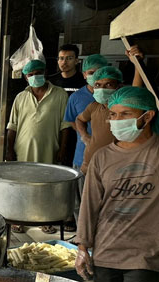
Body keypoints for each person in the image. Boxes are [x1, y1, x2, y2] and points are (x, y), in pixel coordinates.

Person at [76, 86, 159, 282]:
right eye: (113, 114)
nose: (116, 120)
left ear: (148, 115)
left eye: (125, 114)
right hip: (106, 253)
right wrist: (83, 247)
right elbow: (89, 204)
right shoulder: (102, 157)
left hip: (145, 257)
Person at [6, 59, 71, 233]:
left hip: (49, 149)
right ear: (26, 78)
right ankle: (19, 219)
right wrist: (9, 150)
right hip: (23, 150)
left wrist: (63, 149)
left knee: (46, 186)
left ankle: (45, 219)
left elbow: (65, 125)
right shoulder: (21, 97)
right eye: (31, 75)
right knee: (22, 186)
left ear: (45, 72)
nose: (35, 77)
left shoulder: (60, 94)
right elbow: (12, 126)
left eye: (38, 73)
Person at [63, 54, 108, 225]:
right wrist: (86, 137)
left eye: (99, 72)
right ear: (84, 75)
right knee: (81, 202)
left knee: (104, 203)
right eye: (91, 73)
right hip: (83, 156)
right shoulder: (77, 98)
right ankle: (82, 238)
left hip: (111, 158)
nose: (95, 76)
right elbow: (73, 120)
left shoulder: (117, 96)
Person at [76, 66, 124, 176]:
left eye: (108, 85)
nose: (102, 89)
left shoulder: (123, 110)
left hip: (113, 170)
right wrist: (85, 136)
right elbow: (79, 119)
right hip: (88, 166)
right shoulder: (94, 106)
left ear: (119, 86)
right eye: (98, 85)